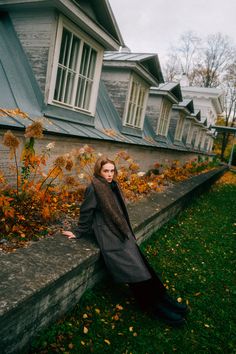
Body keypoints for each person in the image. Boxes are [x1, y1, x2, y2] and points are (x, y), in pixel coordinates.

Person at [62, 156, 188, 326]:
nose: (109, 174)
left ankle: (165, 299)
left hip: (121, 233)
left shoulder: (112, 186)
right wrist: (78, 232)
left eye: (111, 171)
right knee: (135, 272)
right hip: (109, 237)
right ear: (98, 171)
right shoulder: (94, 188)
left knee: (143, 266)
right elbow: (86, 212)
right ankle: (156, 307)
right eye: (105, 171)